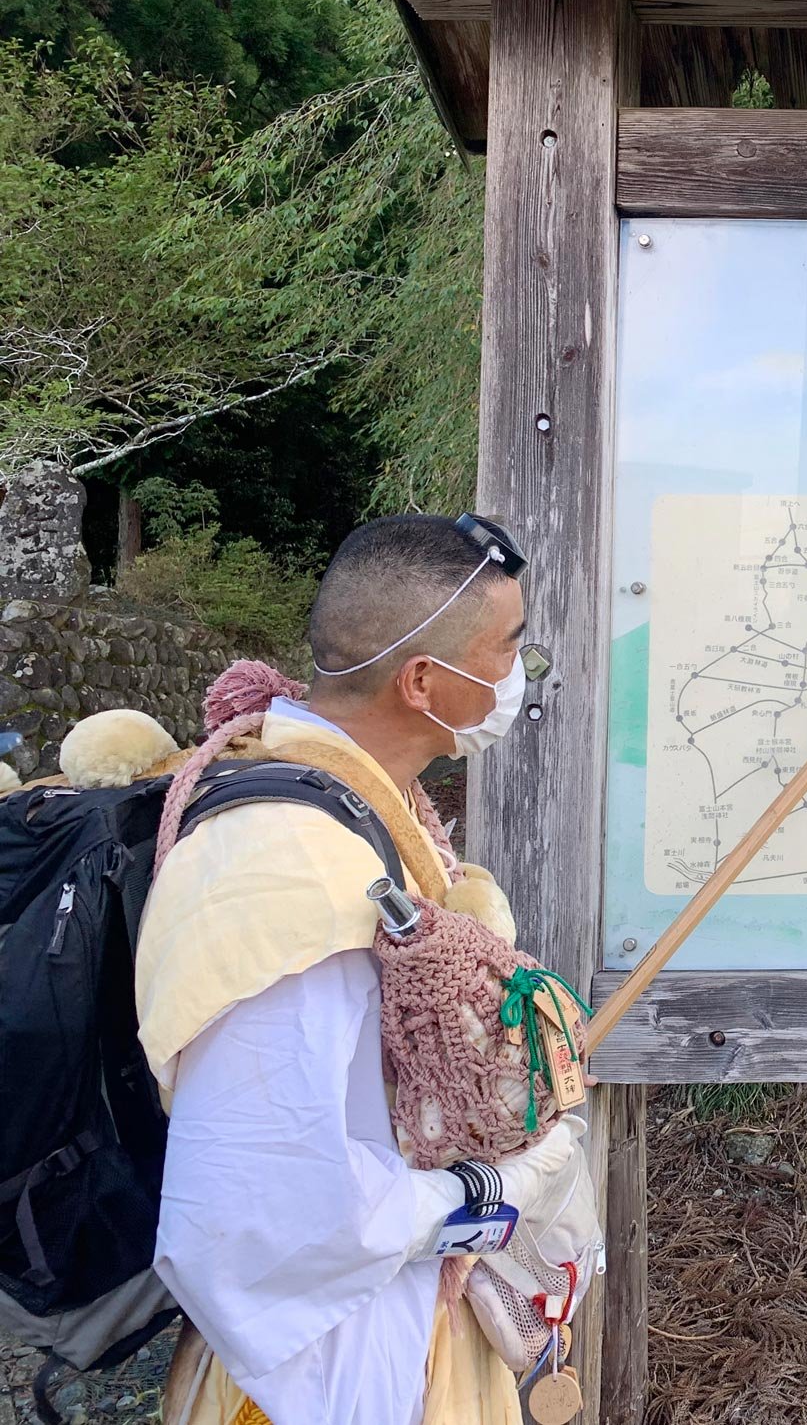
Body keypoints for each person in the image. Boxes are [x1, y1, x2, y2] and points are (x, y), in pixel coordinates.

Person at [135, 514, 581, 1425]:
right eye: (507, 649)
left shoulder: (346, 813)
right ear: (424, 682)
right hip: (326, 1369)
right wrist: (492, 1191)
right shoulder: (286, 870)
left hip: (393, 1319)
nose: (514, 679)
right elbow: (256, 1208)